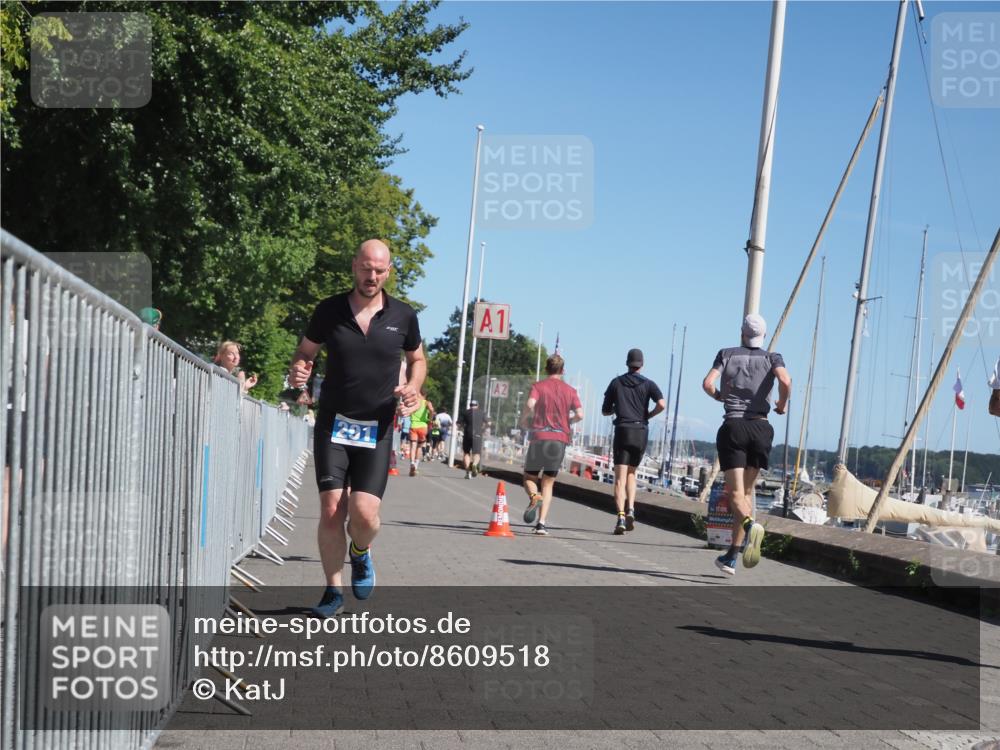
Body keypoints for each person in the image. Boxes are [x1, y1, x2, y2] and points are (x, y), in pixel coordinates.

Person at [288, 239, 425, 617]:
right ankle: (333, 591)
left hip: (377, 427)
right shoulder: (329, 310)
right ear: (354, 266)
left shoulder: (403, 315)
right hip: (333, 423)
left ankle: (361, 552)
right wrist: (300, 368)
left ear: (389, 271)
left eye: (380, 270)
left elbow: (418, 360)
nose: (372, 276)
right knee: (332, 509)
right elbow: (305, 352)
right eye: (366, 268)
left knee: (364, 515)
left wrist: (414, 387)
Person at [702, 313, 791, 577]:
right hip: (761, 427)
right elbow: (786, 381)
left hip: (734, 427)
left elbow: (707, 383)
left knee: (735, 495)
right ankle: (732, 555)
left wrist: (719, 396)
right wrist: (781, 405)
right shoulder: (773, 357)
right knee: (747, 494)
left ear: (742, 333)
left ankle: (751, 526)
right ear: (763, 335)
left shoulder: (726, 353)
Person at [602, 348, 666, 534]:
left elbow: (605, 410)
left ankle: (621, 516)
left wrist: (615, 409)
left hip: (623, 430)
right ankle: (631, 508)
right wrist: (648, 415)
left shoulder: (616, 383)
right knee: (632, 473)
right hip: (640, 431)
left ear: (627, 363)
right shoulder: (649, 384)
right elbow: (662, 404)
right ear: (642, 364)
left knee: (619, 479)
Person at [520, 354, 583, 535]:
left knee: (529, 478)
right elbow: (580, 414)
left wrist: (524, 419)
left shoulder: (538, 387)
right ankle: (541, 524)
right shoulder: (570, 390)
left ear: (546, 369)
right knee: (548, 483)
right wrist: (567, 421)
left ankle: (534, 496)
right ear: (563, 371)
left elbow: (530, 403)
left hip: (540, 437)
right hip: (559, 440)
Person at [407, 393, 434, 476]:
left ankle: (412, 463)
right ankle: (416, 466)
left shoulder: (413, 402)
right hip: (423, 426)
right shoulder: (426, 402)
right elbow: (432, 410)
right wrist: (430, 420)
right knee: (419, 447)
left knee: (413, 446)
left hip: (413, 425)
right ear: (424, 395)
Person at [461, 400, 484, 478]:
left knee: (466, 453)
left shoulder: (465, 412)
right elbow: (489, 423)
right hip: (477, 434)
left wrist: (463, 428)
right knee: (477, 453)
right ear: (477, 405)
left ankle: (467, 473)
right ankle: (474, 465)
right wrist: (482, 429)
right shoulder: (482, 413)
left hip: (467, 434)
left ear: (470, 405)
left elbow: (459, 423)